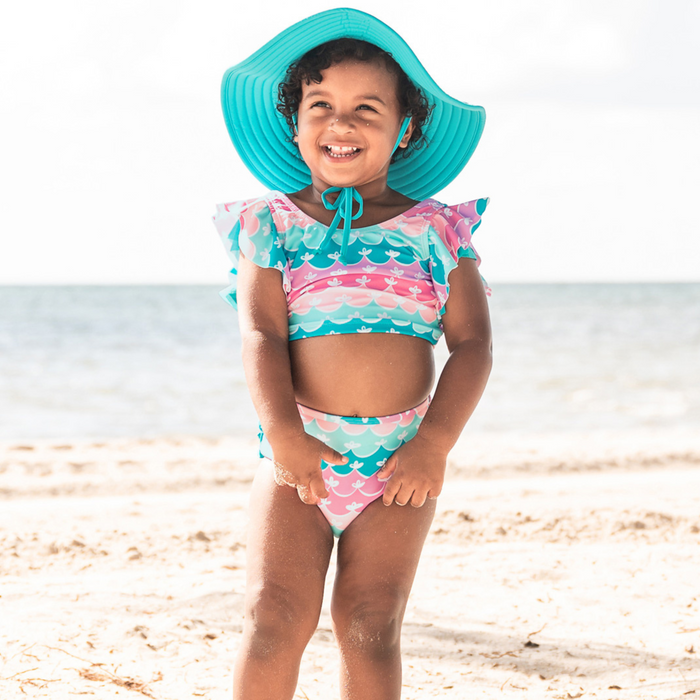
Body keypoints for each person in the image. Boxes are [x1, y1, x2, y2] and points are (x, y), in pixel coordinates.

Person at [213, 8, 492, 699]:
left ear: (405, 129)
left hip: (400, 460)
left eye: (366, 109)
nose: (341, 123)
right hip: (298, 451)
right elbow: (261, 335)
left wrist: (434, 444)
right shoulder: (272, 225)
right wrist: (284, 435)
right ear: (295, 124)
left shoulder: (437, 230)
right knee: (272, 617)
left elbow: (473, 345)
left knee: (371, 623)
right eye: (321, 106)